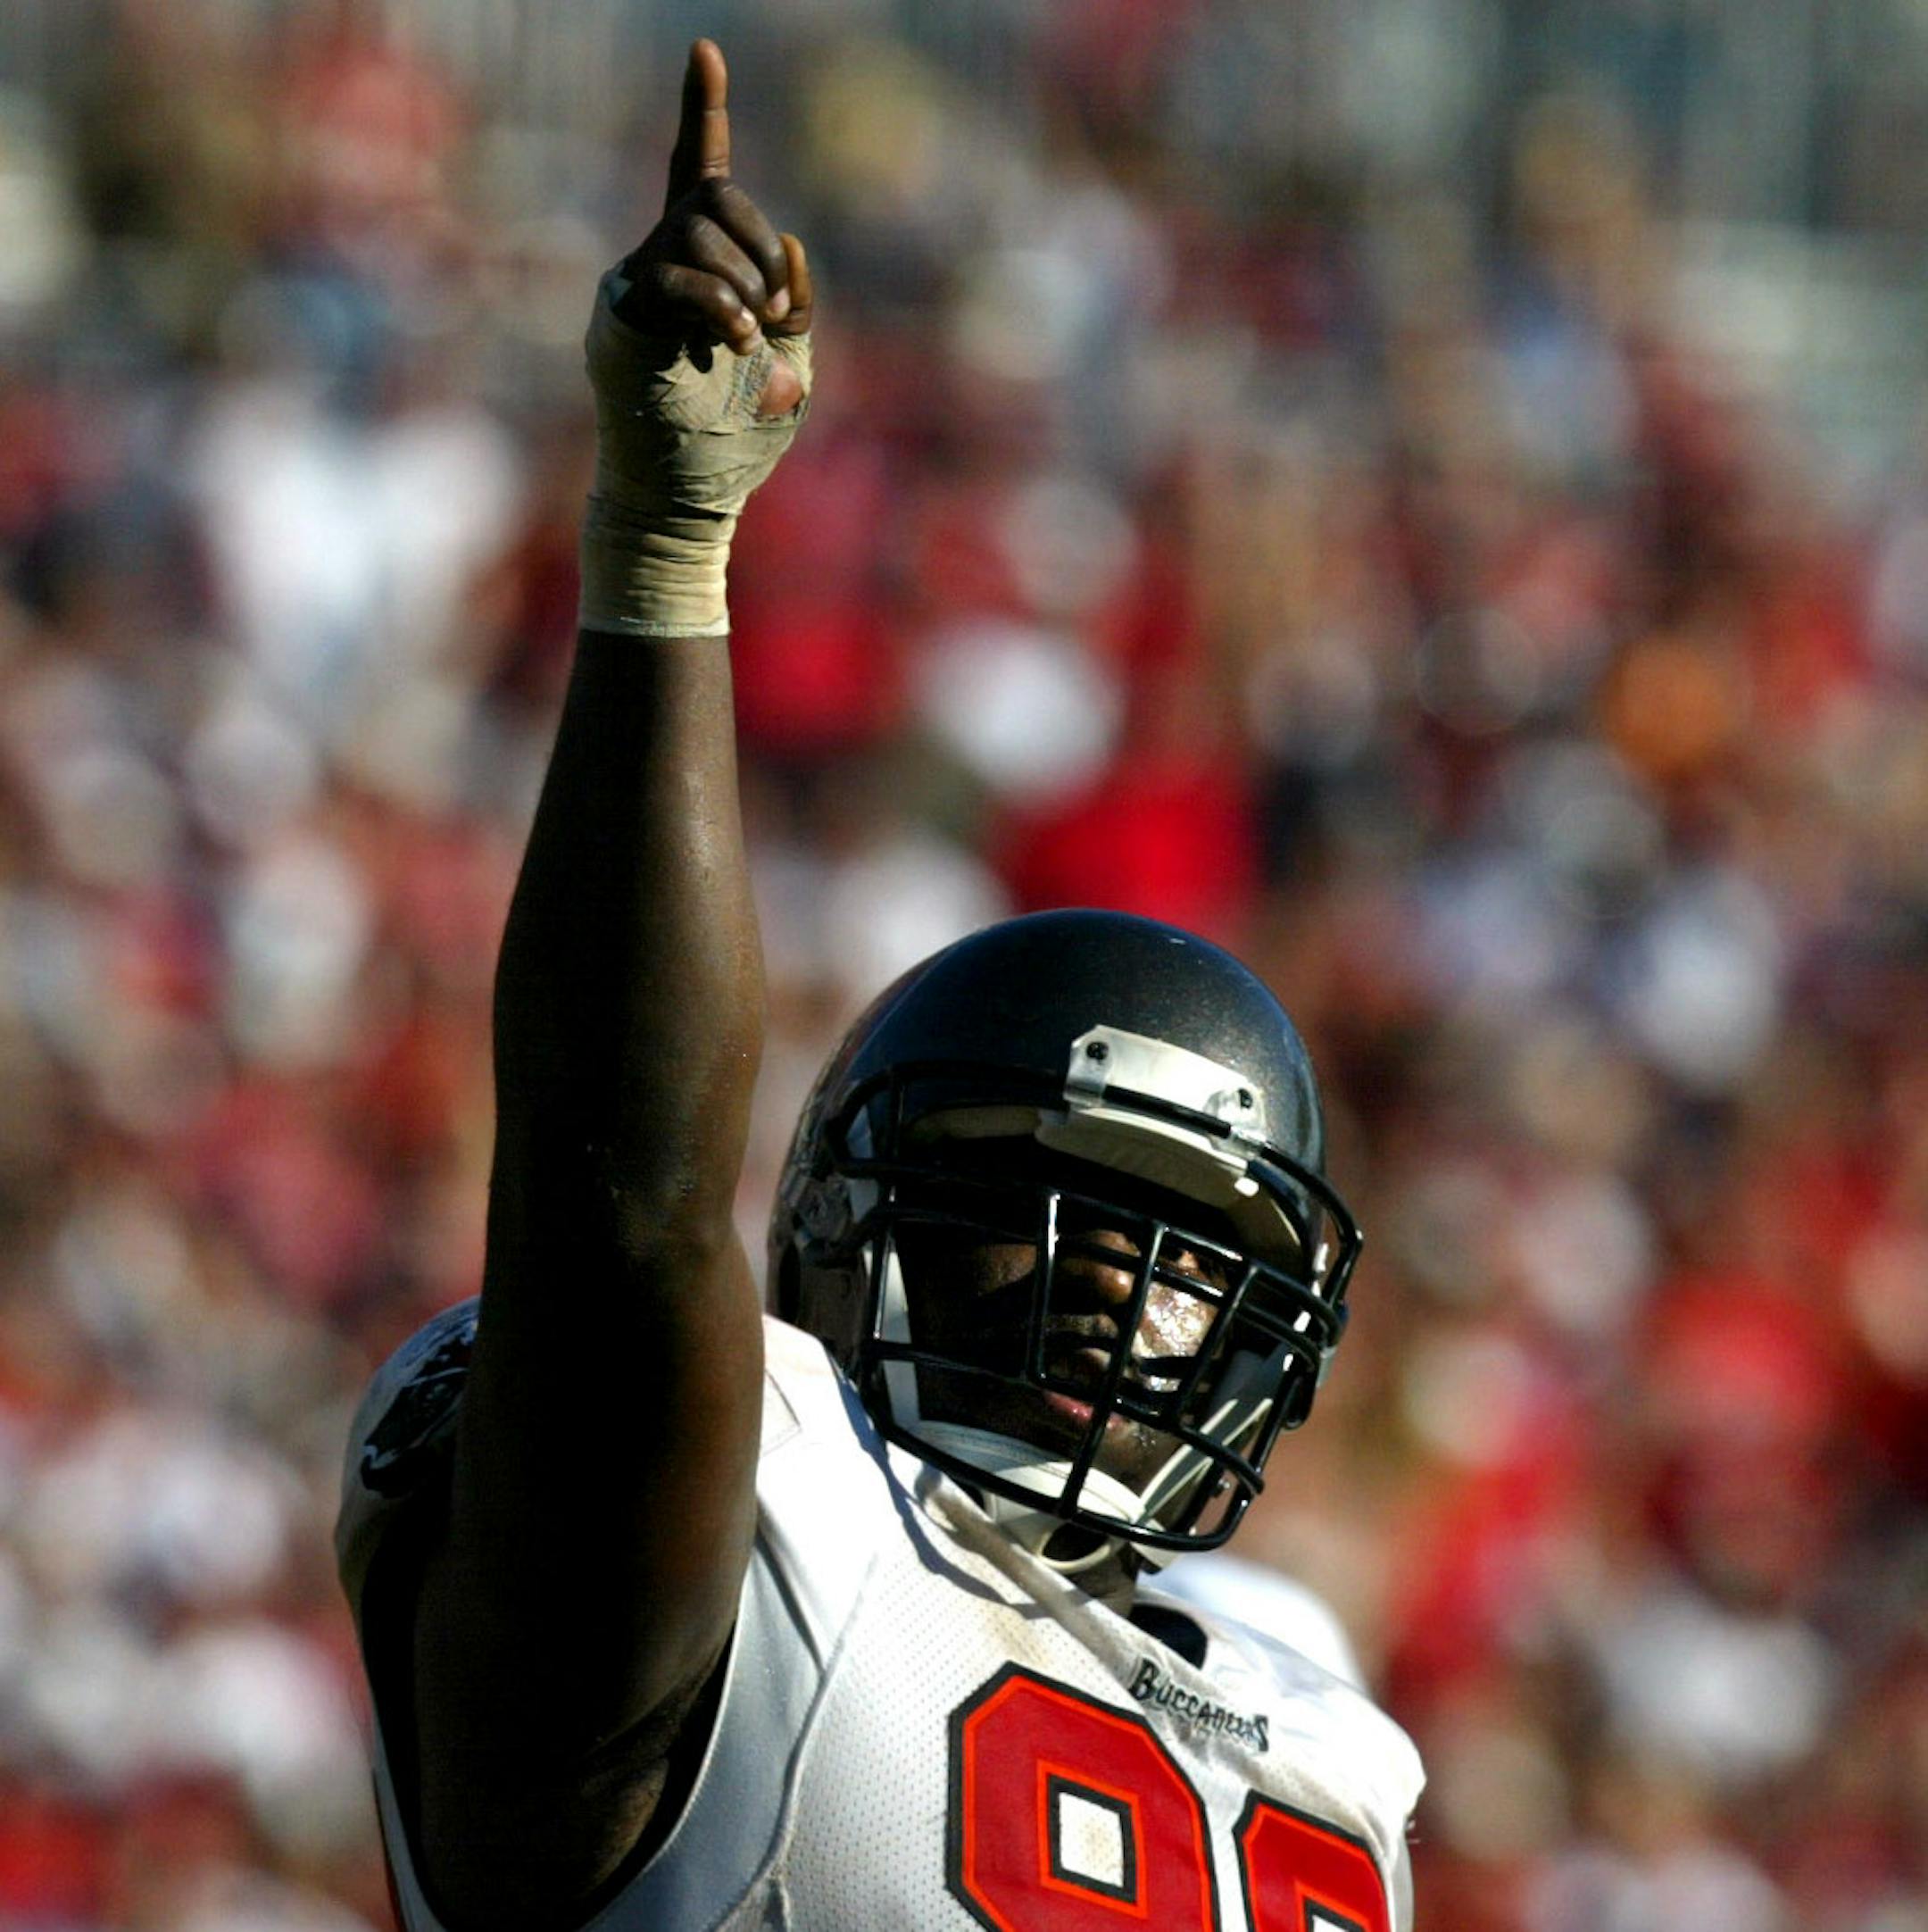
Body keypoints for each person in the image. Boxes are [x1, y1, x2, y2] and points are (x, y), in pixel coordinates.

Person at [337, 40, 1424, 1931]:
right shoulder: (757, 1541)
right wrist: (664, 557)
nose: (1115, 1275)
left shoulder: (1336, 1751)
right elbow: (626, 1196)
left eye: (1186, 1245)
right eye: (1029, 1200)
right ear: (851, 1218)